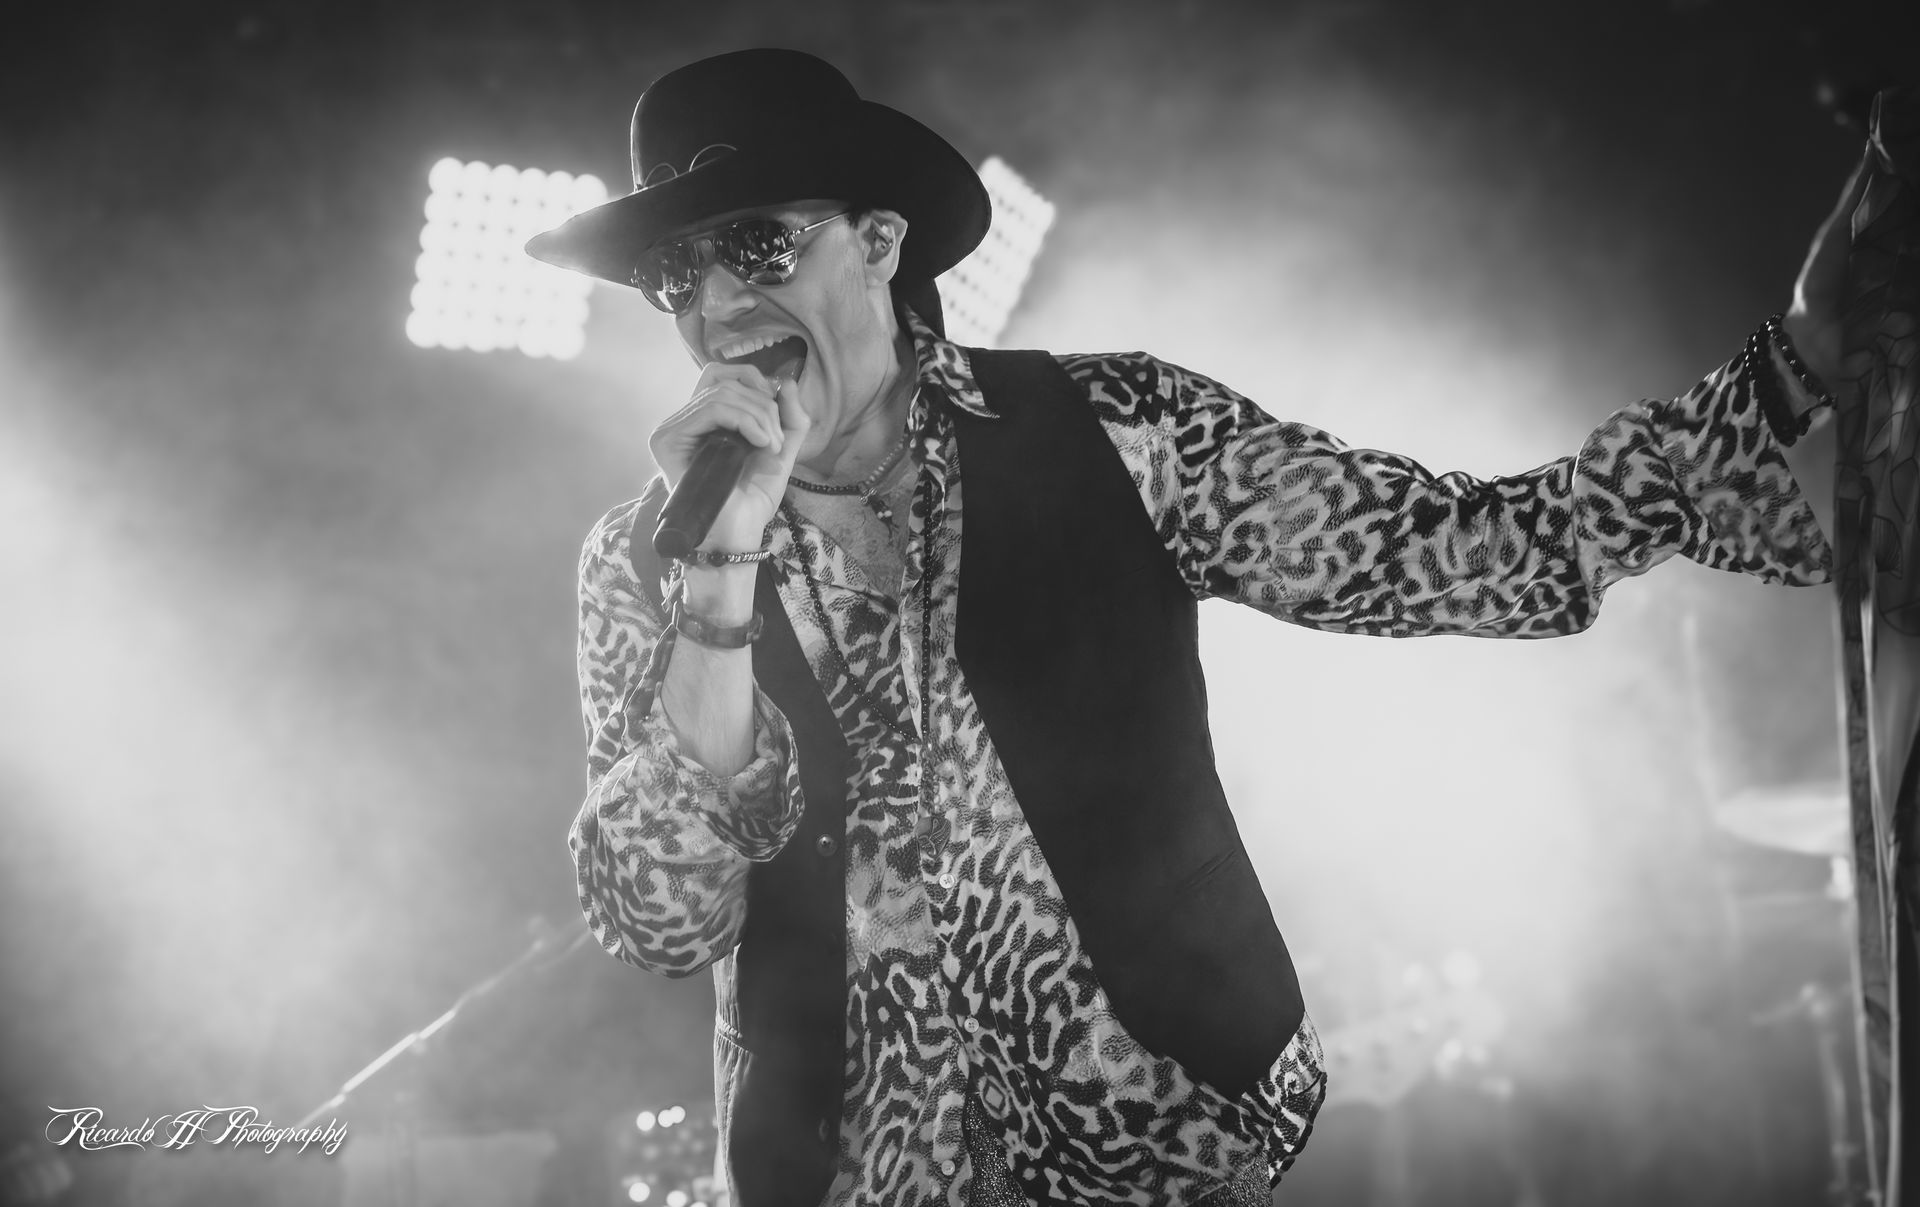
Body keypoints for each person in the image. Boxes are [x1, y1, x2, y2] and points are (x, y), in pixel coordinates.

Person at [527, 47, 1855, 1207]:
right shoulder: (646, 560)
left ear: (878, 242)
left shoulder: (1117, 429)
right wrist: (720, 578)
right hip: (846, 1175)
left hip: (1151, 1146)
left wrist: (1792, 370)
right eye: (672, 272)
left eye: (758, 246)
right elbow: (660, 922)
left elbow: (1467, 550)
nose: (715, 306)